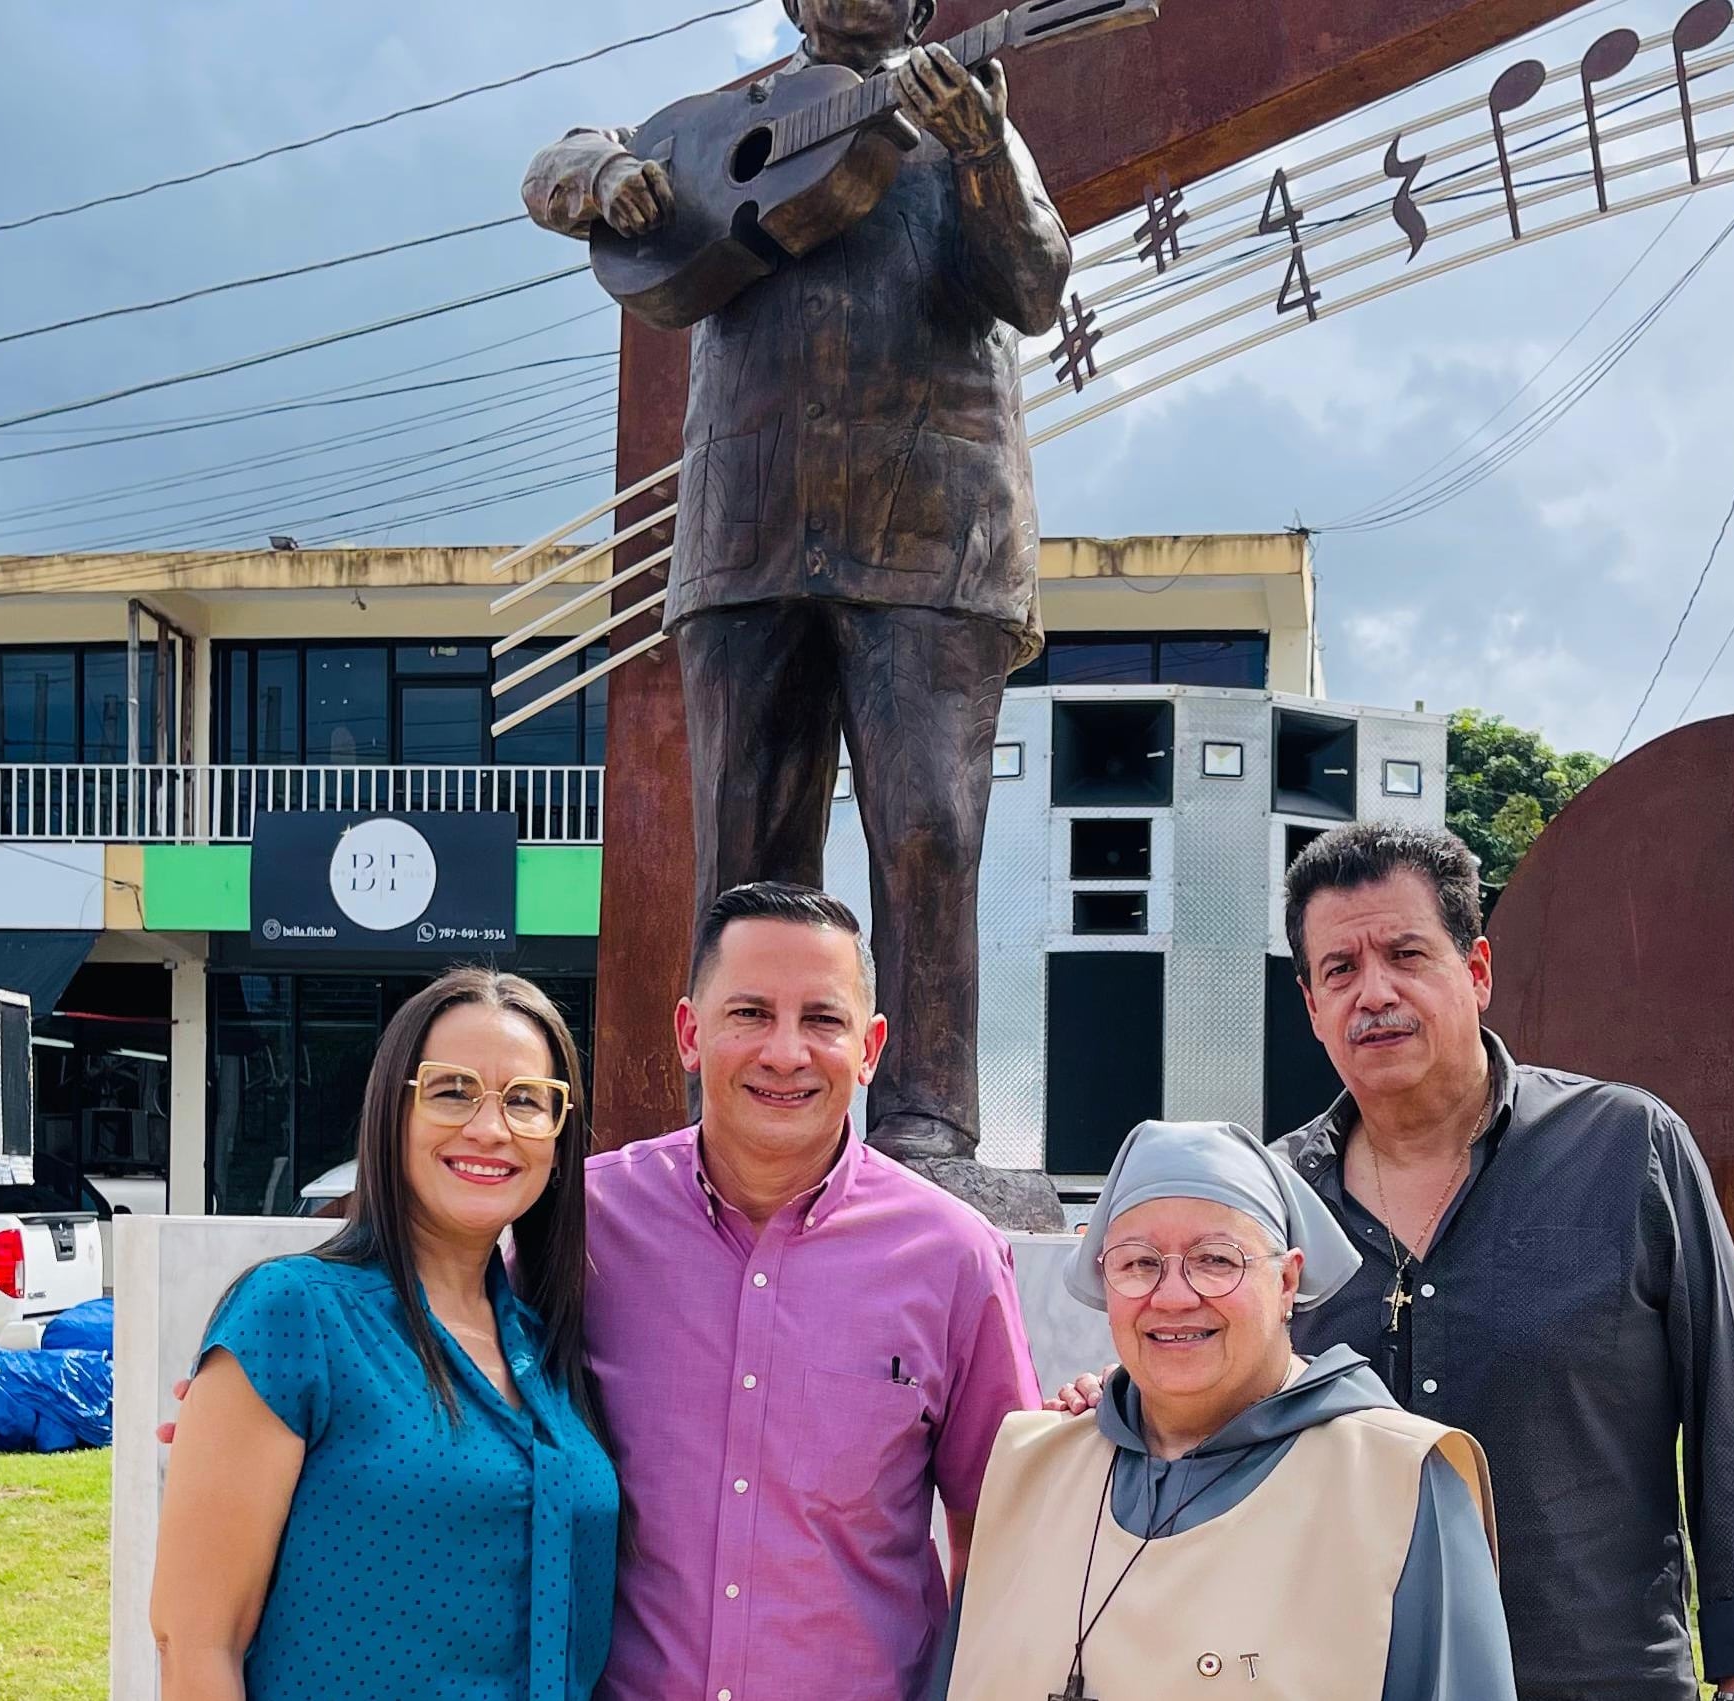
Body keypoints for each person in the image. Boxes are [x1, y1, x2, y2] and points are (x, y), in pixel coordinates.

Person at [1053, 822, 1734, 1701]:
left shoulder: (1628, 1148)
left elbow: (1731, 1418)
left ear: (1478, 971)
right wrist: (1121, 1395)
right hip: (1333, 1671)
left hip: (1588, 1673)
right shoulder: (1267, 1202)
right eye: (1339, 969)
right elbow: (1209, 1386)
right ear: (1311, 1007)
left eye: (1407, 954)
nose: (1374, 992)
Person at [522, 0, 1071, 1177]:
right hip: (750, 525)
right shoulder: (730, 123)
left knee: (929, 829)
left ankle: (926, 1120)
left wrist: (978, 152)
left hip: (934, 528)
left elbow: (1034, 288)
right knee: (745, 839)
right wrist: (606, 175)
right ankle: (728, 1117)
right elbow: (557, 163)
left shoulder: (973, 121)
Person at [586, 881, 1042, 1700]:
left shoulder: (955, 1258)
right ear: (691, 1033)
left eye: (823, 1020)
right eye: (751, 1013)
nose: (786, 1052)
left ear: (870, 1049)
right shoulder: (583, 1227)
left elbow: (998, 1531)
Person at [148, 969, 618, 1701]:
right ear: (392, 1111)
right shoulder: (296, 1314)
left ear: (559, 1142)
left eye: (527, 1100)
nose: (490, 1127)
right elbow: (196, 1643)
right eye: (452, 1089)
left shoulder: (546, 1346)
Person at [933, 1119, 1514, 1701]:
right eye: (1138, 1264)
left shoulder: (1397, 1481)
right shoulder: (1030, 1468)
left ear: (1287, 1280)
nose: (1174, 1297)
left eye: (1215, 1259)